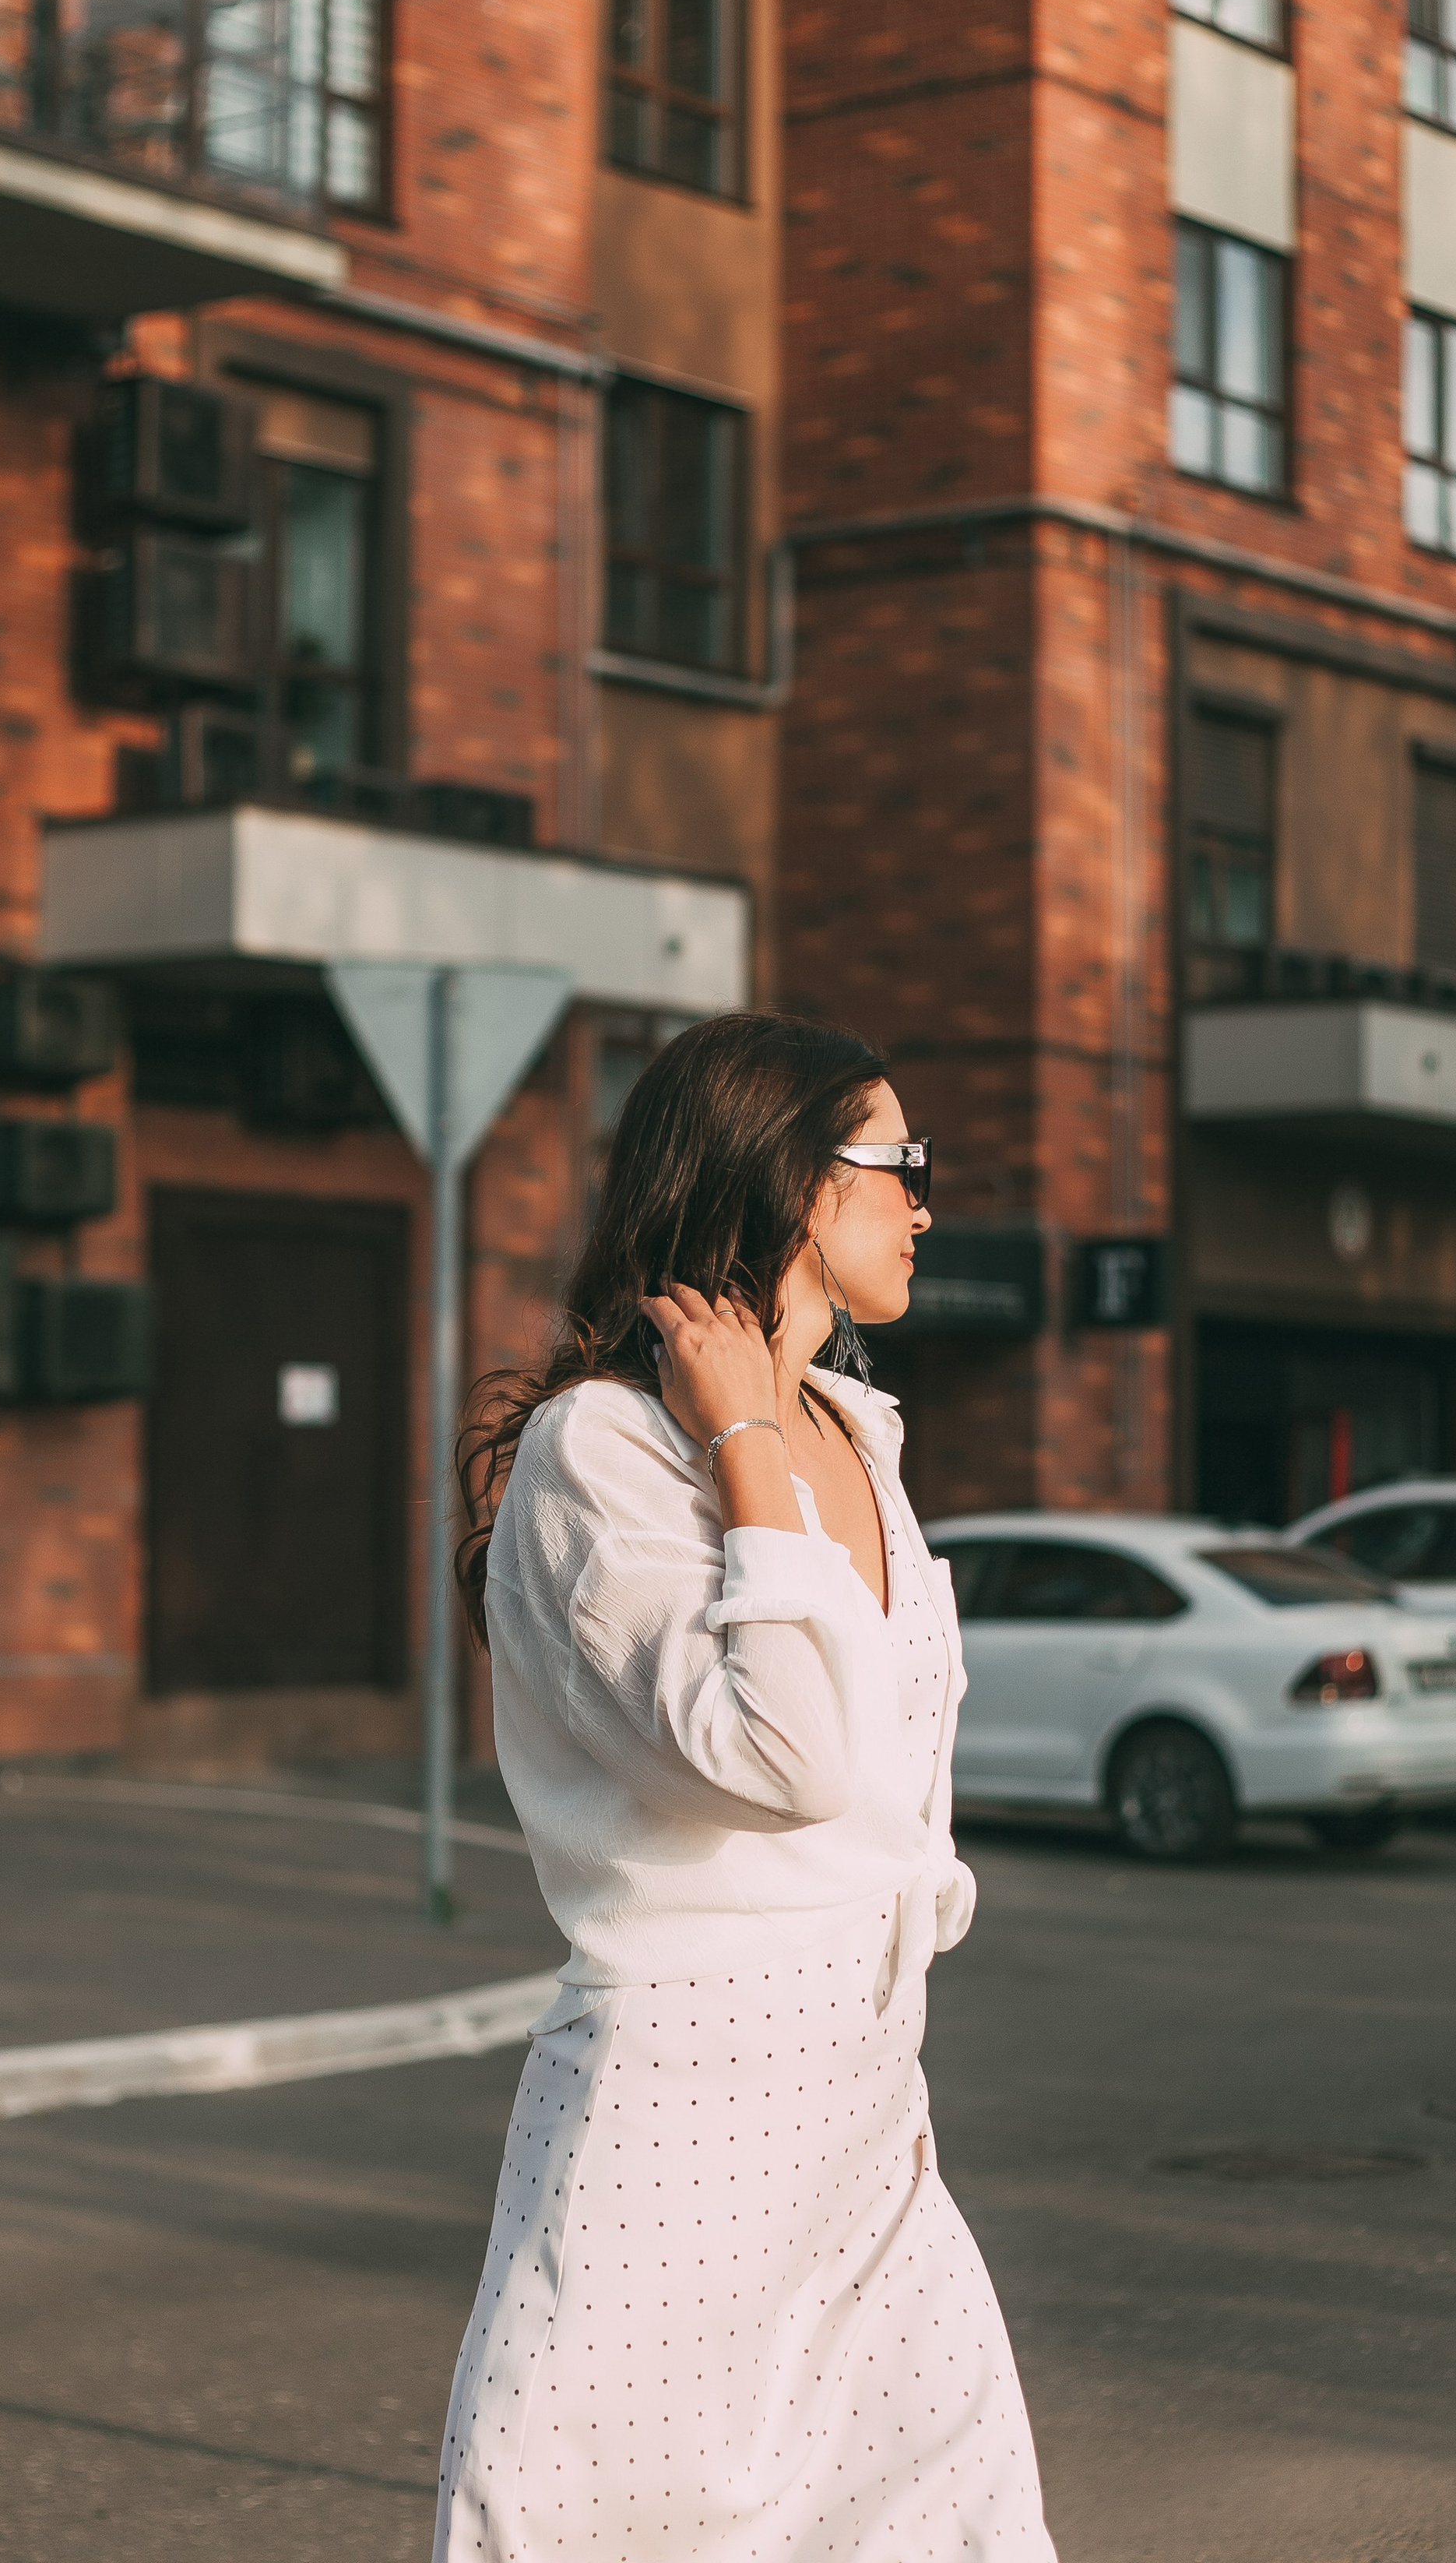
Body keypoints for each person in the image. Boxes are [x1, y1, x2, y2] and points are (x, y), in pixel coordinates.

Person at [433, 1011, 1056, 2560]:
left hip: (864, 2117)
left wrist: (899, 1996)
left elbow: (897, 1786)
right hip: (674, 2124)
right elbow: (785, 1759)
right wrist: (743, 1442)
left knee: (951, 2529)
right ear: (784, 1181)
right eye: (896, 1163)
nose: (924, 1202)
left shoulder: (861, 1430)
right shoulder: (606, 1456)